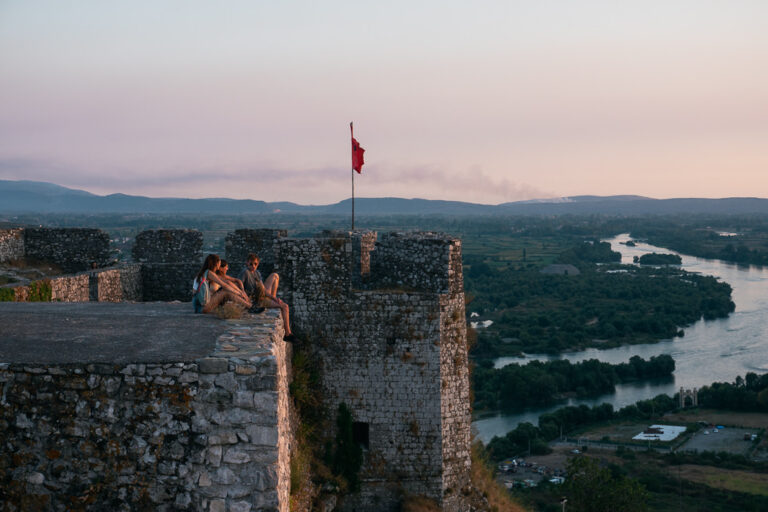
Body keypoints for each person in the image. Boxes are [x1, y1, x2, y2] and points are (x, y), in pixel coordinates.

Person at [240, 253, 295, 341]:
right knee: (285, 306)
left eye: (255, 264)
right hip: (257, 300)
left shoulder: (257, 273)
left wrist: (274, 299)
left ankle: (288, 333)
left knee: (275, 275)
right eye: (251, 264)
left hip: (262, 295)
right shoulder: (245, 272)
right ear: (247, 263)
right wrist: (246, 299)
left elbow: (264, 290)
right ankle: (288, 334)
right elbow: (240, 286)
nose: (253, 266)